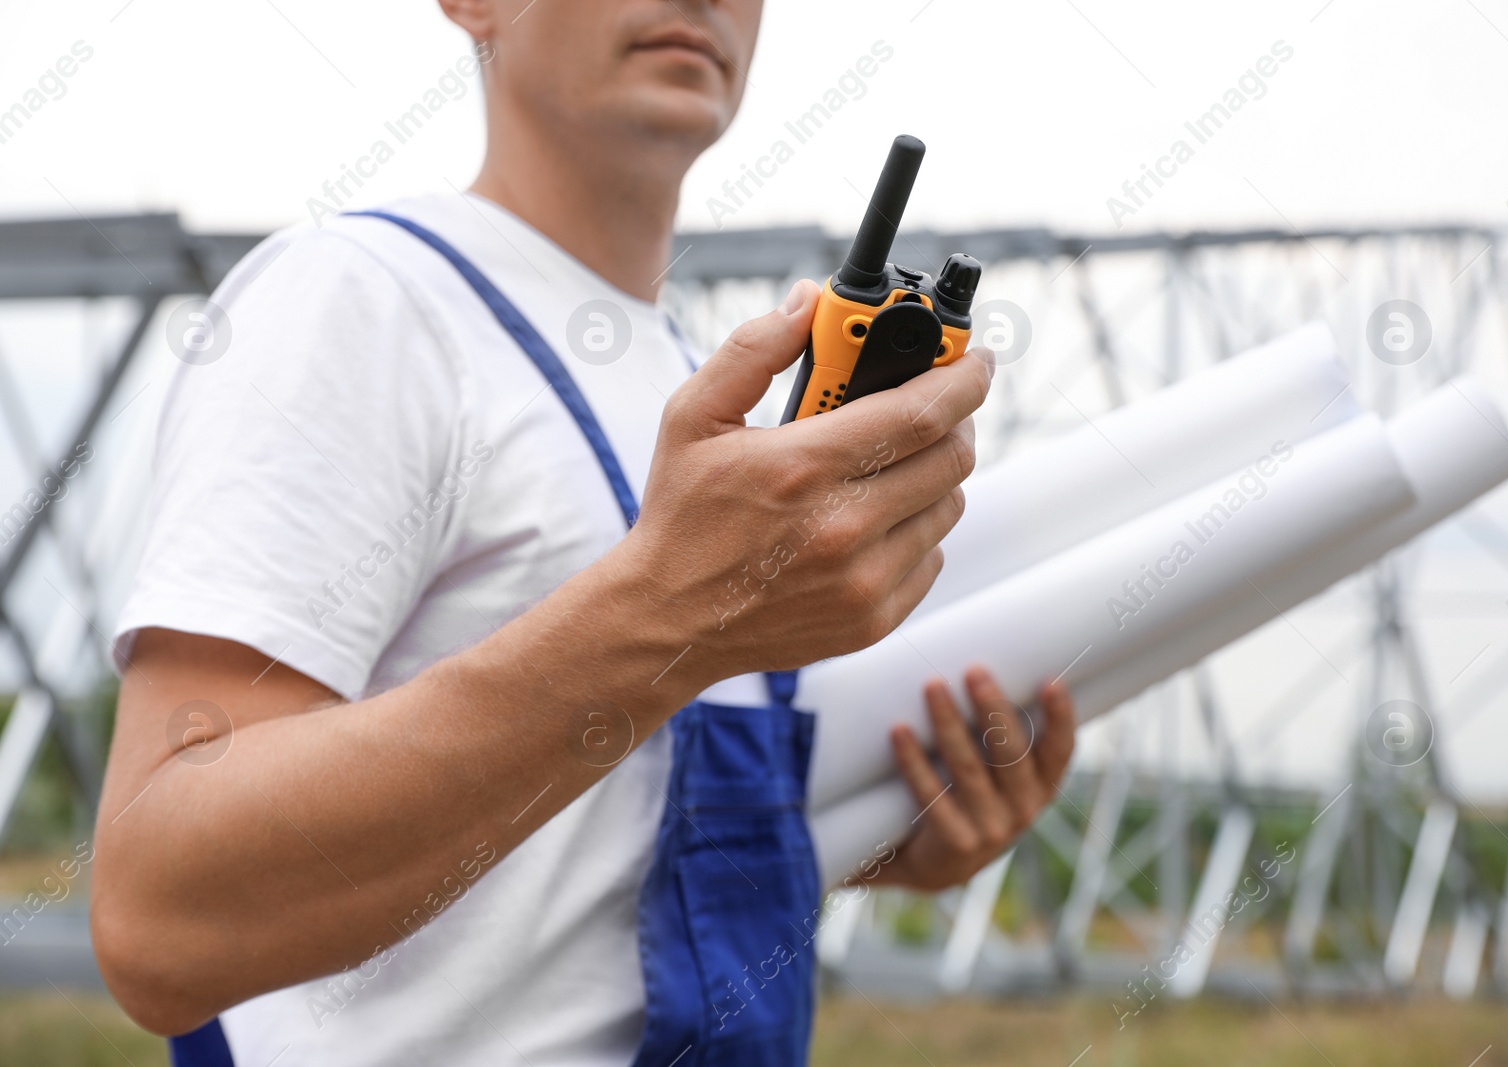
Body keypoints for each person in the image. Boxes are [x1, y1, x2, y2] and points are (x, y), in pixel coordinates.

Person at [90, 1, 1077, 1063]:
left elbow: (574, 863)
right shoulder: (358, 302)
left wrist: (865, 838)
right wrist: (676, 609)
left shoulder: (701, 384)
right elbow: (161, 919)